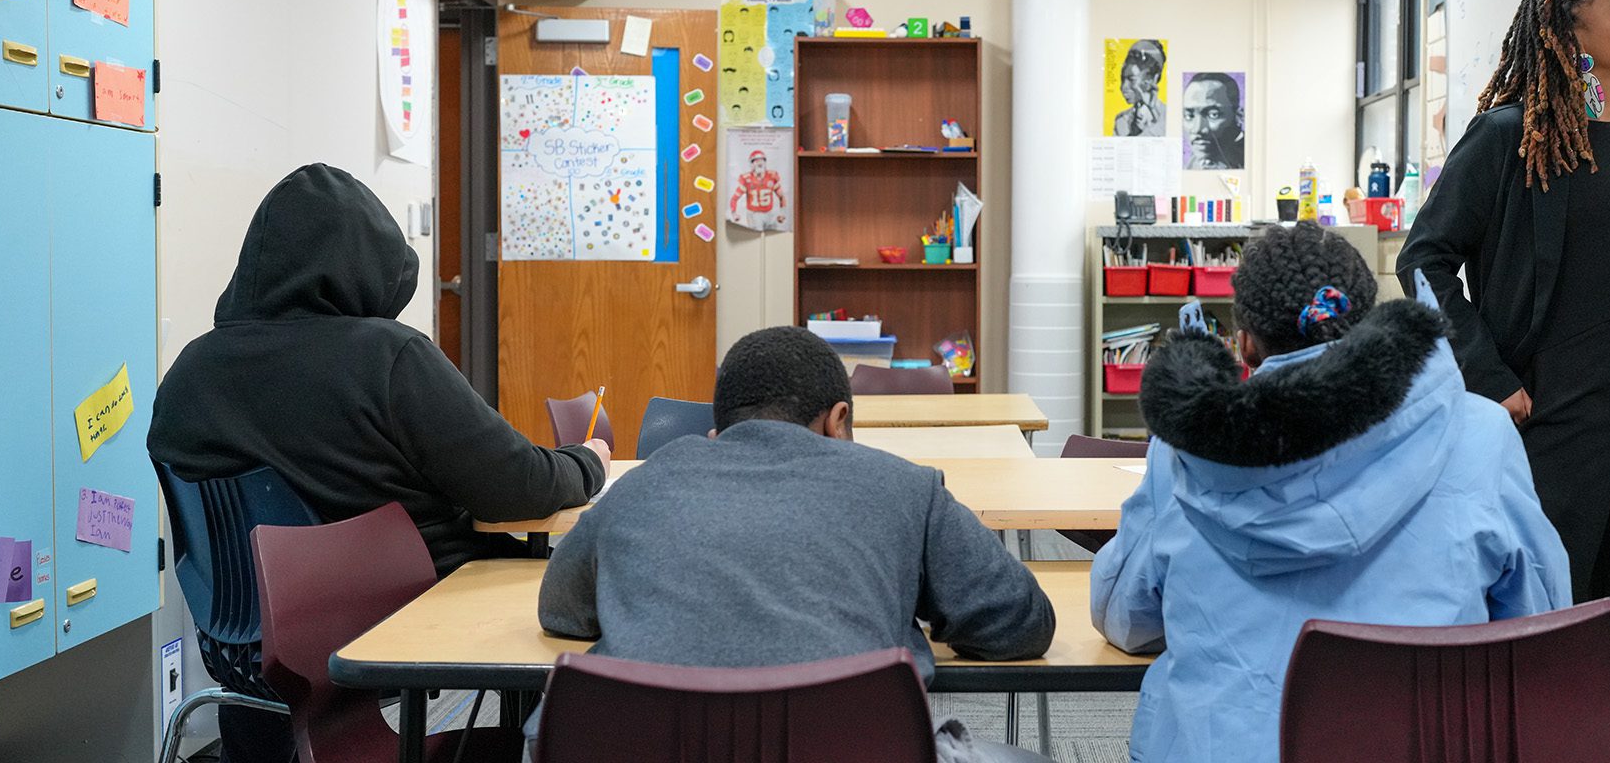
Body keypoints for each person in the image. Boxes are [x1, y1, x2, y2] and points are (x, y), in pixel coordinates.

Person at [149, 164, 610, 763]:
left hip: (241, 644)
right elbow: (520, 487)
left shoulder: (188, 373)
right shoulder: (386, 357)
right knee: (561, 585)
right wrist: (588, 459)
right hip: (393, 626)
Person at [1396, 0, 1610, 763]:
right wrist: (1487, 375)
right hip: (1558, 423)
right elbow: (1426, 258)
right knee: (1547, 631)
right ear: (1572, 33)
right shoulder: (1511, 136)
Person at [1093, 222, 1570, 763]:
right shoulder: (1481, 435)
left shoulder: (1187, 451)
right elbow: (1539, 621)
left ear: (1243, 343)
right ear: (1369, 326)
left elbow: (1126, 619)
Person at [533, 326, 1055, 761]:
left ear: (719, 432)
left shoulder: (642, 484)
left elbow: (561, 612)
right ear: (839, 421)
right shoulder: (906, 487)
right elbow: (1021, 623)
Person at [1181, 72, 1245, 169]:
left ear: (1239, 116)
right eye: (1189, 116)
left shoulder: (1253, 158)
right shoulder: (1192, 164)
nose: (1197, 129)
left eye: (1213, 115)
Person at [1111, 39, 1166, 137]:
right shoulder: (1121, 121)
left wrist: (1154, 113)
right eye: (1122, 79)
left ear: (1153, 79)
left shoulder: (1169, 117)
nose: (1123, 87)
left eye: (1131, 79)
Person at [729, 147, 786, 227]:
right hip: (754, 214)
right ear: (751, 164)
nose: (759, 162)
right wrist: (734, 213)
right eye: (755, 160)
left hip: (770, 212)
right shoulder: (746, 179)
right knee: (755, 236)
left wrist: (782, 213)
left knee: (773, 235)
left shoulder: (772, 176)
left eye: (761, 160)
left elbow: (781, 196)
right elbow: (734, 198)